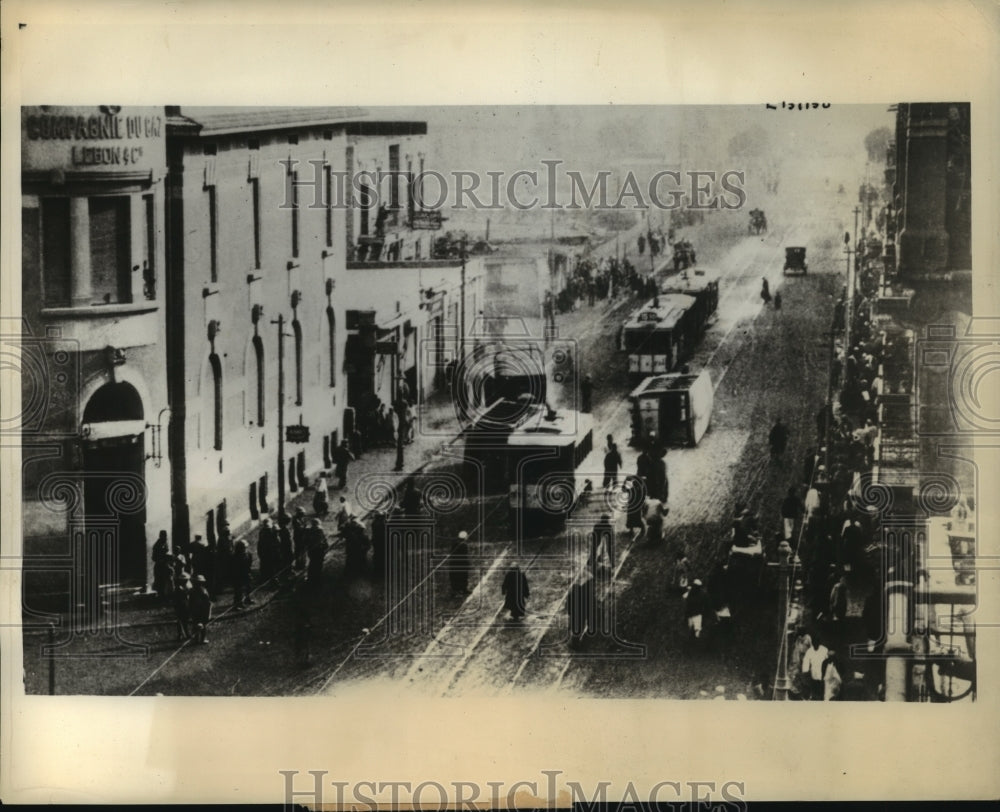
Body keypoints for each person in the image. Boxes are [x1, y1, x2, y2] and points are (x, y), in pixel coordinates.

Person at [801, 636, 830, 700]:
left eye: (817, 643)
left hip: (823, 676)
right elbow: (806, 663)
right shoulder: (809, 651)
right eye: (814, 643)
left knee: (823, 694)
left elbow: (828, 662)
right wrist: (805, 672)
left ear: (819, 643)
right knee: (815, 693)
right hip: (814, 676)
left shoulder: (824, 650)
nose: (815, 645)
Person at [189, 574, 213, 644]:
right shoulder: (201, 591)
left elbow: (207, 602)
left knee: (200, 624)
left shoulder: (200, 591)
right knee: (200, 624)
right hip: (198, 610)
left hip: (200, 610)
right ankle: (199, 639)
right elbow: (207, 602)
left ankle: (200, 638)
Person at [304, 518, 328, 586]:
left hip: (312, 551)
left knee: (312, 564)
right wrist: (325, 546)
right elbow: (325, 541)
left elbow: (305, 541)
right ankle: (317, 578)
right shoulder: (320, 531)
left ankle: (311, 578)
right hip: (319, 551)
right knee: (318, 564)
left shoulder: (308, 531)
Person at [623, 474, 646, 543]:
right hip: (636, 506)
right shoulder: (641, 490)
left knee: (632, 518)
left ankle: (634, 530)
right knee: (636, 518)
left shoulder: (632, 489)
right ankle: (641, 529)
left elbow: (624, 489)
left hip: (633, 506)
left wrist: (625, 483)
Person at [231, 539, 254, 609]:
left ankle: (248, 599)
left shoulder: (248, 554)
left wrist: (249, 572)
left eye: (245, 547)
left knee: (249, 587)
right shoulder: (235, 556)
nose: (244, 549)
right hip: (238, 575)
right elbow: (233, 567)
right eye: (243, 548)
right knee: (238, 590)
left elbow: (249, 563)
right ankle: (237, 604)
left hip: (246, 573)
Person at [449, 531, 472, 598]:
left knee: (461, 577)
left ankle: (463, 589)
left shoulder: (455, 544)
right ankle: (457, 591)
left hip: (455, 563)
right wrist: (467, 564)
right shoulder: (463, 545)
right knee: (459, 577)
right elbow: (464, 556)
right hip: (459, 563)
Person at [257, 517, 279, 584]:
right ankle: (270, 578)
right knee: (270, 565)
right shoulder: (269, 532)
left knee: (266, 564)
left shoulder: (262, 532)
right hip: (268, 552)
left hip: (265, 552)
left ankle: (266, 576)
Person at [151, 530, 172, 600]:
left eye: (165, 536)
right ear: (160, 536)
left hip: (165, 565)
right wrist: (160, 560)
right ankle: (160, 595)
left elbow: (167, 552)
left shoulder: (165, 543)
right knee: (159, 581)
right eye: (163, 536)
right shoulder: (156, 545)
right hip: (159, 566)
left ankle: (164, 595)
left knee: (165, 580)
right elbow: (153, 557)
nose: (165, 537)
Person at [173, 573, 192, 640]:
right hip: (180, 605)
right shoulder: (178, 588)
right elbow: (178, 597)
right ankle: (180, 634)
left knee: (185, 620)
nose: (186, 581)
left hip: (185, 604)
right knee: (180, 620)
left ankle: (185, 634)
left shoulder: (187, 585)